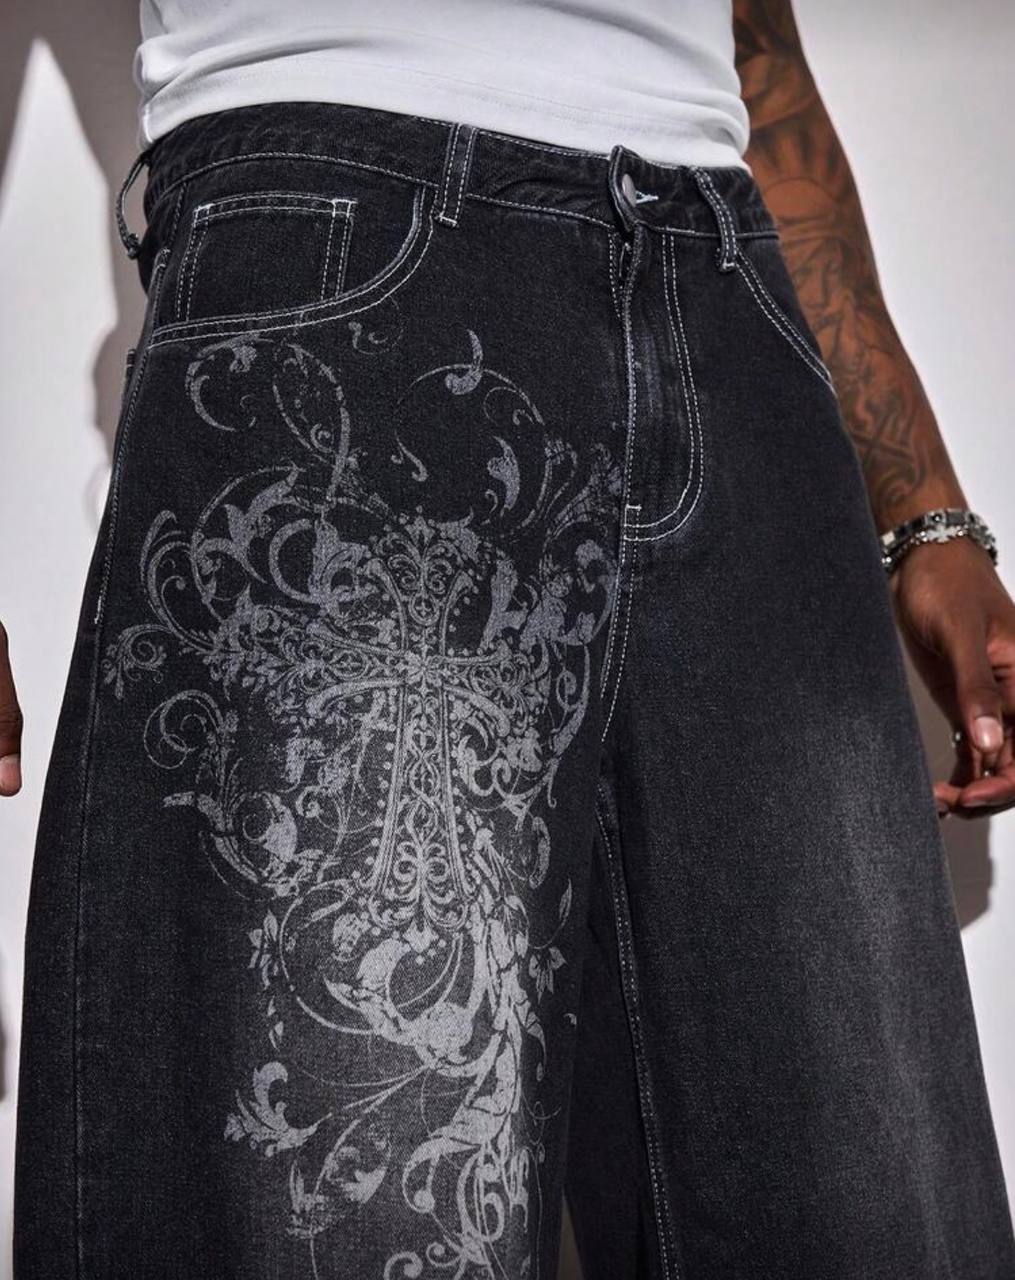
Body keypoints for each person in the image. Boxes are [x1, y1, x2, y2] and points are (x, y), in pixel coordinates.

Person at [7, 1, 1015, 1276]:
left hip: (728, 287)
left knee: (870, 1208)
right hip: (342, 252)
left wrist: (926, 514)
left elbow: (753, 35)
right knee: (339, 1196)